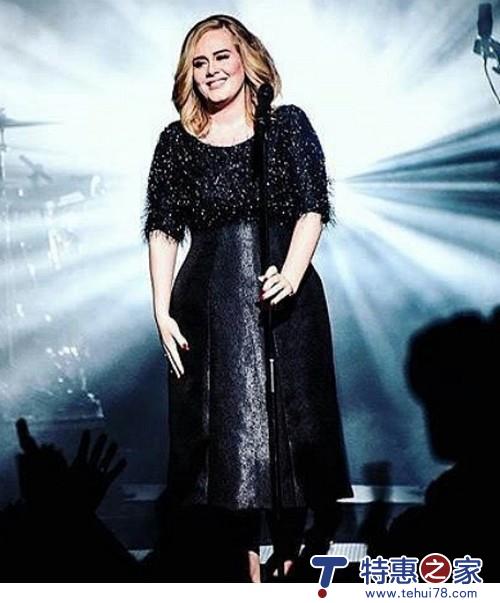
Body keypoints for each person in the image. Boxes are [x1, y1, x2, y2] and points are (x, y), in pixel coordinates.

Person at [142, 14, 353, 582]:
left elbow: (312, 206)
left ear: (245, 59)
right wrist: (161, 309)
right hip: (208, 303)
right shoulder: (176, 142)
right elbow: (162, 229)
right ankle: (244, 569)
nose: (211, 70)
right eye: (199, 62)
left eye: (221, 56)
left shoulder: (285, 126)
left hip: (284, 296)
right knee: (224, 437)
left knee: (291, 426)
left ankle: (295, 556)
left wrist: (292, 272)